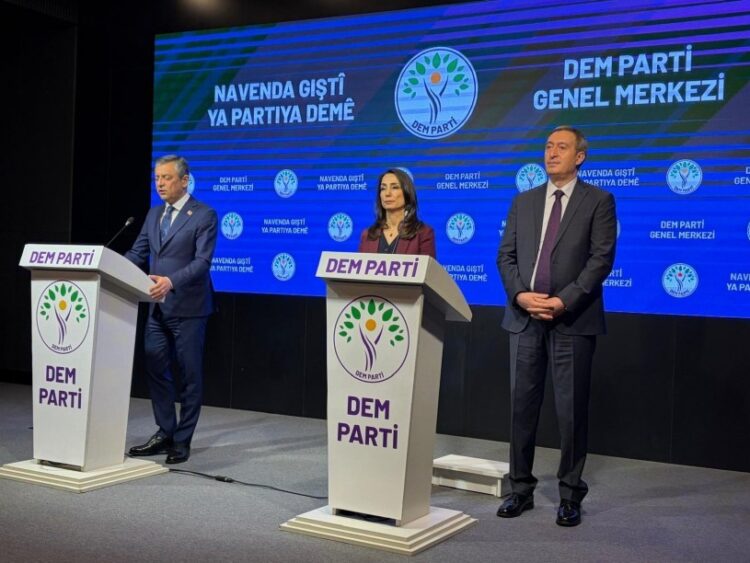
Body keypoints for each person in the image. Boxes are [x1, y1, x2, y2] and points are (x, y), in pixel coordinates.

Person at [496, 126, 616, 526]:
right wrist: (520, 295)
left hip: (573, 320)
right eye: (548, 146)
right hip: (524, 319)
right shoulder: (524, 200)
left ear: (579, 157)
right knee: (521, 409)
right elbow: (505, 257)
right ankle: (520, 489)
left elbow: (601, 259)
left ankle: (569, 494)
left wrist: (564, 300)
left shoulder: (598, 200)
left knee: (571, 412)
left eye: (561, 147)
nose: (551, 153)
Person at [125, 155, 218, 464]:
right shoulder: (154, 214)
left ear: (184, 180)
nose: (160, 184)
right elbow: (138, 252)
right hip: (157, 309)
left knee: (190, 376)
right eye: (157, 178)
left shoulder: (204, 215)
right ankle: (165, 431)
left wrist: (171, 282)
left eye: (166, 178)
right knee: (155, 368)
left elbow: (202, 262)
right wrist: (106, 266)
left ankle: (182, 440)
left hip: (189, 308)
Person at [358, 168, 436, 257]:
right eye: (383, 188)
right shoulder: (367, 235)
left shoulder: (423, 233)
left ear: (407, 193)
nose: (387, 193)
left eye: (395, 187)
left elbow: (426, 266)